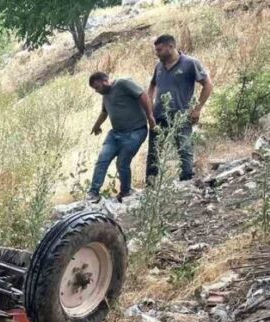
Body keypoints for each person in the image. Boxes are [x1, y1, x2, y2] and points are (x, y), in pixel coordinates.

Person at [146, 34, 214, 183]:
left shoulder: (190, 63)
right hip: (159, 115)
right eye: (156, 50)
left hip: (181, 115)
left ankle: (186, 182)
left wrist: (197, 109)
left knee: (184, 149)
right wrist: (149, 105)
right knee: (154, 152)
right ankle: (150, 185)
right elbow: (152, 85)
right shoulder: (158, 66)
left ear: (171, 47)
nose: (157, 53)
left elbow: (208, 85)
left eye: (159, 50)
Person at [86, 72, 156, 202]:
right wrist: (96, 126)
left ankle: (125, 191)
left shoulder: (123, 83)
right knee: (102, 159)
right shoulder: (105, 95)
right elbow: (104, 112)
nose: (96, 91)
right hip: (115, 134)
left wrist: (150, 116)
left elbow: (143, 95)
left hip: (135, 132)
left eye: (97, 87)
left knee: (122, 163)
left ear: (105, 81)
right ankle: (93, 193)